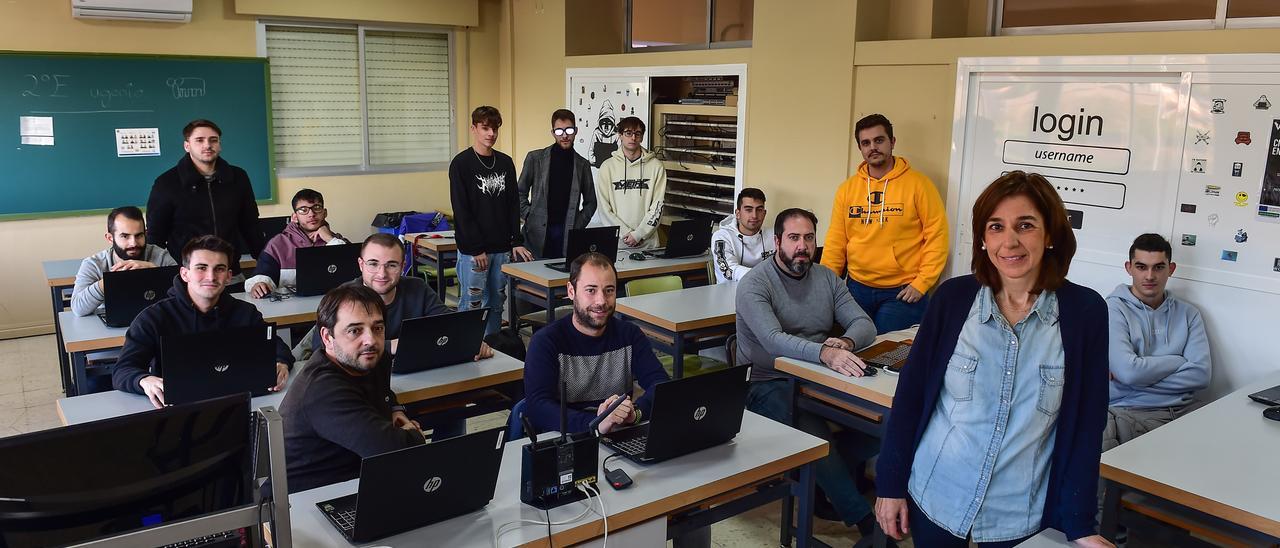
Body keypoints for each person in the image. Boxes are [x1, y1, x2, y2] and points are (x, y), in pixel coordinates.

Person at [875, 171, 1112, 547]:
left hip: (1020, 514)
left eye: (1026, 225)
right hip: (938, 496)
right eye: (996, 227)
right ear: (983, 239)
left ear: (1049, 234)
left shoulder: (1085, 313)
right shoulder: (952, 300)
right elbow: (911, 397)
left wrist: (1081, 524)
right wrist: (889, 483)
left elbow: (1087, 424)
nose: (1010, 241)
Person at [735, 208, 880, 536]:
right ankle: (867, 525)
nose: (803, 246)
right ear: (777, 242)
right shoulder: (755, 284)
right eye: (794, 238)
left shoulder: (827, 277)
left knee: (880, 424)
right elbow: (773, 341)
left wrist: (845, 340)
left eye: (809, 238)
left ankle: (820, 479)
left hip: (819, 377)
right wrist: (825, 353)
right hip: (766, 382)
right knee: (816, 437)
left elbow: (864, 324)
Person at [111, 235, 293, 409]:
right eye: (201, 268)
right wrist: (144, 380)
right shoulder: (154, 318)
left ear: (229, 276)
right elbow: (123, 370)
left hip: (238, 402)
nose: (211, 277)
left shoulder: (245, 313)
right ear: (185, 273)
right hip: (179, 409)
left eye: (219, 269)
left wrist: (281, 363)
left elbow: (277, 347)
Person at [279, 284, 426, 494]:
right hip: (307, 500)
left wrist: (395, 409)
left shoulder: (372, 358)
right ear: (327, 338)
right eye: (354, 331)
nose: (370, 340)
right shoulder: (322, 390)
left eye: (377, 328)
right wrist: (413, 435)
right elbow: (395, 450)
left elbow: (380, 391)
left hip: (357, 478)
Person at [822, 114, 949, 334]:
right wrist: (825, 285)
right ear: (860, 148)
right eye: (866, 143)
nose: (873, 147)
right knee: (852, 351)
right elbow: (836, 240)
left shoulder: (919, 185)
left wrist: (922, 283)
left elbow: (937, 237)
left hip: (902, 292)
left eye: (879, 140)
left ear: (892, 142)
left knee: (886, 357)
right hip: (856, 289)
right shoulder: (847, 189)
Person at [523, 252, 669, 434]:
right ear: (571, 291)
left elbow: (661, 385)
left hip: (616, 435)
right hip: (566, 439)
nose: (601, 301)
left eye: (609, 290)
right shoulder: (546, 342)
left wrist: (635, 413)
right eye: (591, 290)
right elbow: (538, 408)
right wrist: (596, 424)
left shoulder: (629, 335)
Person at [1103, 233, 1211, 452]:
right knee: (1099, 438)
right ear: (1129, 267)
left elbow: (1201, 375)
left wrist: (1137, 374)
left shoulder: (1189, 314)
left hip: (1184, 411)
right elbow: (1129, 372)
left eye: (1158, 267)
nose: (1150, 276)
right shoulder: (1113, 309)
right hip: (1126, 411)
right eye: (1141, 267)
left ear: (1171, 269)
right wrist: (1177, 360)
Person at [449, 106, 532, 336]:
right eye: (485, 128)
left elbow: (513, 204)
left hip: (501, 248)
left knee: (496, 302)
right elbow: (461, 209)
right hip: (474, 251)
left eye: (494, 129)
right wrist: (476, 248)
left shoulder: (505, 162)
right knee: (472, 303)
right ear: (473, 128)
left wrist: (516, 241)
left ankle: (495, 347)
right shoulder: (461, 164)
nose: (490, 134)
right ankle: (468, 350)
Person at [146, 119, 265, 276]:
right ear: (187, 146)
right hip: (186, 276)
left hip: (229, 273)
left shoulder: (238, 177)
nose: (207, 145)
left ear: (219, 145)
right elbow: (156, 236)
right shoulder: (166, 183)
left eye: (213, 140)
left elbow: (251, 226)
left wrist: (266, 265)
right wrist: (154, 275)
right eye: (199, 140)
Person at [518, 108, 598, 259]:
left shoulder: (583, 165)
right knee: (534, 279)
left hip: (567, 235)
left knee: (563, 279)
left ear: (576, 131)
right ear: (553, 133)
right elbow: (519, 193)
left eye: (569, 130)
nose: (565, 135)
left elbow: (591, 202)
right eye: (559, 131)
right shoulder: (535, 158)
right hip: (535, 236)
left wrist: (577, 225)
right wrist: (529, 215)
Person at [71, 206, 178, 316]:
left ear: (145, 234)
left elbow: (186, 296)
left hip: (155, 320)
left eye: (139, 236)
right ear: (110, 238)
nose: (133, 243)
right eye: (125, 236)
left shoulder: (161, 257)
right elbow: (77, 308)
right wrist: (109, 281)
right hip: (112, 328)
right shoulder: (94, 264)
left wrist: (157, 272)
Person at [246, 188, 347, 298]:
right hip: (290, 307)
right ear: (294, 217)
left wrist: (330, 239)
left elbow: (354, 273)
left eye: (317, 208)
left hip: (331, 303)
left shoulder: (336, 240)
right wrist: (260, 284)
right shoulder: (278, 243)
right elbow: (263, 273)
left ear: (324, 212)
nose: (311, 214)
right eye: (303, 210)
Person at [595, 116, 666, 250]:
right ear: (620, 135)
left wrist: (639, 234)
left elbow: (658, 206)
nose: (633, 138)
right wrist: (625, 233)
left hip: (648, 245)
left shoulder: (656, 167)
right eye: (628, 133)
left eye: (637, 134)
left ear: (642, 137)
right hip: (617, 244)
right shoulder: (607, 167)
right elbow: (604, 208)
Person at [712, 188, 774, 283]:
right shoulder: (721, 237)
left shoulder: (773, 236)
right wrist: (765, 276)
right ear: (738, 214)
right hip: (729, 293)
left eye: (759, 210)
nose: (754, 215)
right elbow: (729, 271)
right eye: (748, 210)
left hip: (765, 292)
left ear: (764, 213)